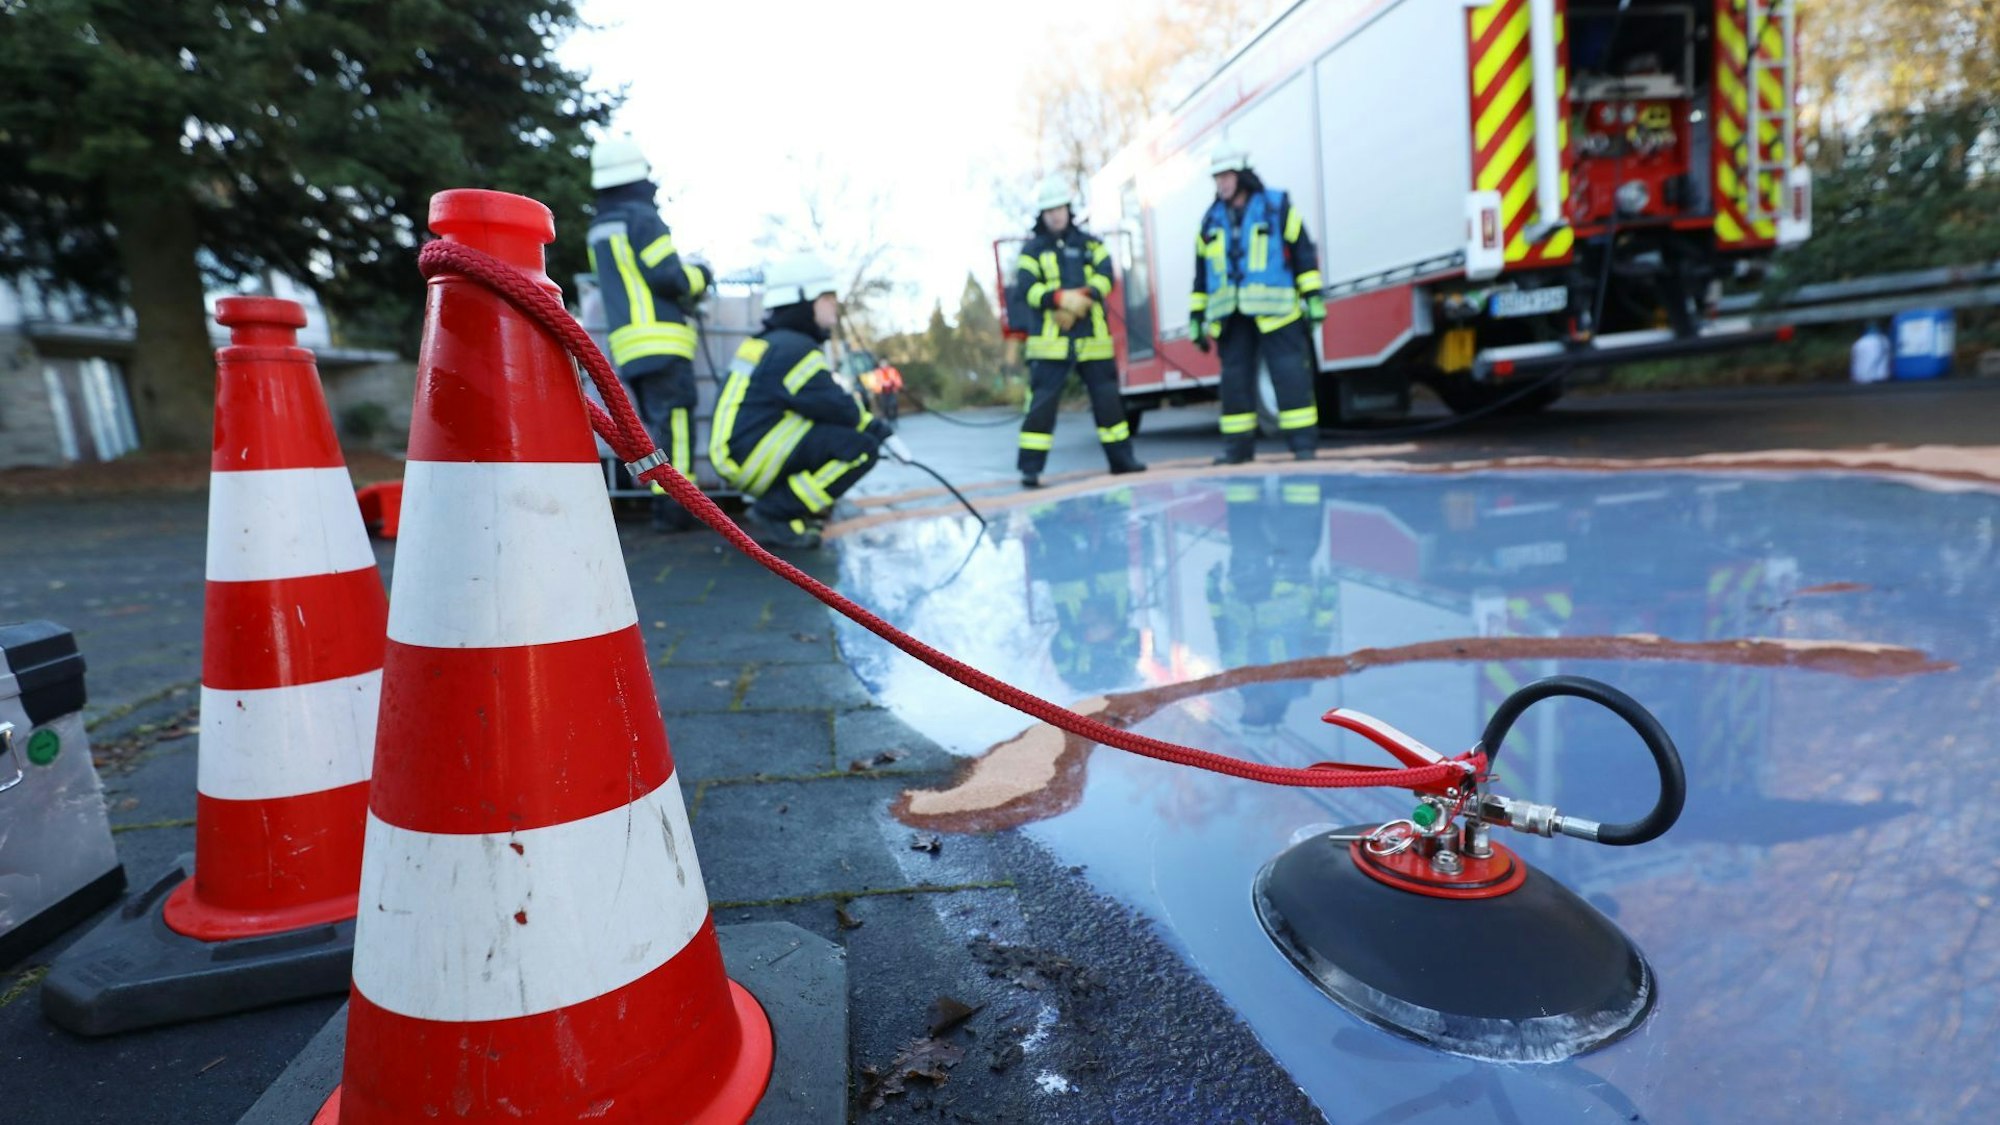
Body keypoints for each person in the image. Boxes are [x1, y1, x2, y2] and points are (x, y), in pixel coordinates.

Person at [709, 253, 889, 550]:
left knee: (830, 432)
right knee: (861, 450)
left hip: (738, 453)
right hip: (751, 457)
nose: (835, 306)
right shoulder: (795, 349)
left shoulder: (772, 343)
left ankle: (787, 507)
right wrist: (878, 431)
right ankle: (777, 510)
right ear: (804, 300)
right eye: (828, 297)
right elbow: (839, 408)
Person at [587, 134, 714, 531]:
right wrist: (702, 274)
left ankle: (663, 504)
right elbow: (669, 277)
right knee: (676, 426)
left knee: (654, 431)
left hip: (628, 347)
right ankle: (680, 507)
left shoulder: (598, 229)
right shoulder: (642, 218)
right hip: (663, 341)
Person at [1010, 174, 1146, 489]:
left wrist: (1081, 298)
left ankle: (1122, 461)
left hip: (1092, 341)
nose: (1055, 215)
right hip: (1050, 344)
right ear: (1042, 214)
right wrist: (1058, 299)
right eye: (1049, 210)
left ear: (1068, 210)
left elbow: (1106, 276)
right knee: (1041, 407)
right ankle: (1030, 469)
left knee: (1109, 405)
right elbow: (1027, 289)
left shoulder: (1091, 244)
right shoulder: (1032, 250)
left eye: (1059, 208)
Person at [1191, 147, 1325, 463]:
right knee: (1234, 383)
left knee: (1290, 376)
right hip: (1232, 315)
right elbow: (1202, 275)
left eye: (1226, 176)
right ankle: (1237, 451)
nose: (1221, 183)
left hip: (1278, 312)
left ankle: (1303, 446)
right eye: (1217, 178)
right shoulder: (1210, 221)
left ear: (1242, 175)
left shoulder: (1277, 207)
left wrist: (1313, 297)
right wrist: (1196, 316)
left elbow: (1303, 253)